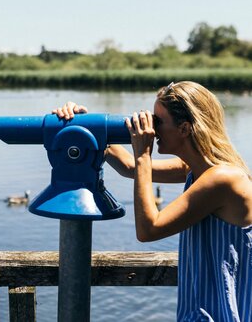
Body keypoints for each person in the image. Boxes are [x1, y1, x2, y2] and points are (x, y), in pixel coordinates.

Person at [52, 81, 252, 321]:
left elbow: (148, 229)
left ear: (185, 128)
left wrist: (143, 153)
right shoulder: (197, 170)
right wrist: (84, 126)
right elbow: (129, 168)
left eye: (158, 121)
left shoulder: (222, 179)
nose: (153, 130)